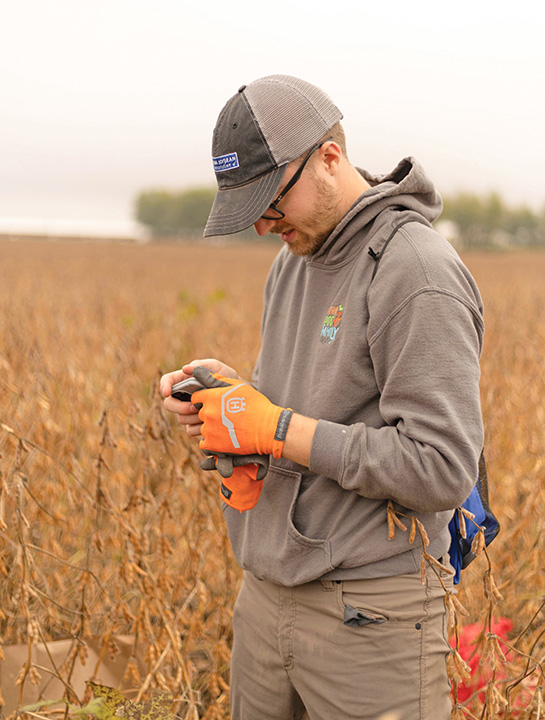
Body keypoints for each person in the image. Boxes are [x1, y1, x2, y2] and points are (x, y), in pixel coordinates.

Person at [161, 75, 484, 720]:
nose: (261, 224)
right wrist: (229, 401)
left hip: (371, 614)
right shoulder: (293, 259)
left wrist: (274, 427)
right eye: (249, 209)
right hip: (266, 596)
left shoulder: (414, 270)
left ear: (329, 157)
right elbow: (301, 409)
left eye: (272, 201)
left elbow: (442, 465)